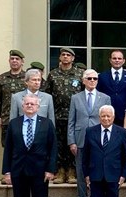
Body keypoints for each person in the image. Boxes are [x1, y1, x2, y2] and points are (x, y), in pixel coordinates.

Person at [2, 94, 57, 197]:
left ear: (38, 107)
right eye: (27, 104)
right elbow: (8, 150)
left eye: (33, 104)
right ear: (22, 106)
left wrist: (50, 170)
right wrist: (7, 172)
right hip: (19, 170)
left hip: (40, 172)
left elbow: (53, 148)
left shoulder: (47, 124)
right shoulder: (14, 123)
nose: (30, 106)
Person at [68, 69, 111, 197]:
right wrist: (71, 141)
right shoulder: (76, 98)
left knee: (97, 173)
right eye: (89, 78)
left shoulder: (105, 98)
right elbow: (71, 121)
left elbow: (109, 121)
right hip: (80, 140)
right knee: (81, 172)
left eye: (95, 79)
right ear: (83, 80)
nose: (92, 81)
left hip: (98, 141)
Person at [45, 47, 83, 184]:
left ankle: (72, 172)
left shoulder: (80, 74)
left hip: (75, 116)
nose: (65, 57)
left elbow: (84, 94)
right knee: (59, 145)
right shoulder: (53, 74)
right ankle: (60, 171)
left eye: (68, 55)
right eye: (63, 55)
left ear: (73, 58)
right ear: (60, 58)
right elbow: (47, 95)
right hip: (57, 115)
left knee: (73, 144)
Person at [0, 50, 27, 148]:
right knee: (8, 147)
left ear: (22, 62)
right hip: (6, 119)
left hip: (24, 118)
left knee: (23, 147)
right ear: (9, 61)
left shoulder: (27, 77)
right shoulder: (2, 78)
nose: (14, 61)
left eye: (17, 59)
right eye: (12, 59)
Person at [97, 49, 126, 126]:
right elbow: (98, 95)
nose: (117, 60)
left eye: (119, 58)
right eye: (114, 58)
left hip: (124, 114)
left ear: (123, 61)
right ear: (110, 60)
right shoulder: (102, 76)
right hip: (106, 115)